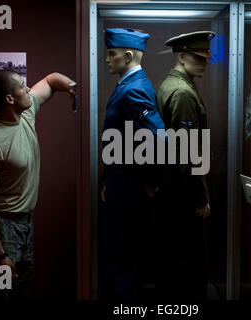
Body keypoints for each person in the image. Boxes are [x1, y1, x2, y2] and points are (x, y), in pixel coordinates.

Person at [0, 70, 76, 299]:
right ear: (10, 99)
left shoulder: (25, 115)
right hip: (3, 228)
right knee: (3, 291)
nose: (29, 89)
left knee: (21, 288)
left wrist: (72, 86)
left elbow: (51, 80)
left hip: (24, 224)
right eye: (23, 86)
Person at [100, 28, 165, 300]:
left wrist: (151, 181)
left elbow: (160, 138)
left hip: (128, 187)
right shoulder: (129, 84)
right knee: (124, 251)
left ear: (127, 56)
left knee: (121, 252)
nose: (106, 60)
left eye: (111, 54)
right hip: (120, 182)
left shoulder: (134, 89)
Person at [156, 31, 214, 300]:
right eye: (198, 57)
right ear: (181, 57)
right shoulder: (183, 93)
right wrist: (200, 196)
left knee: (173, 254)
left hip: (171, 186)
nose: (205, 62)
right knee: (185, 258)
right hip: (181, 189)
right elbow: (187, 153)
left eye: (205, 58)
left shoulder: (171, 84)